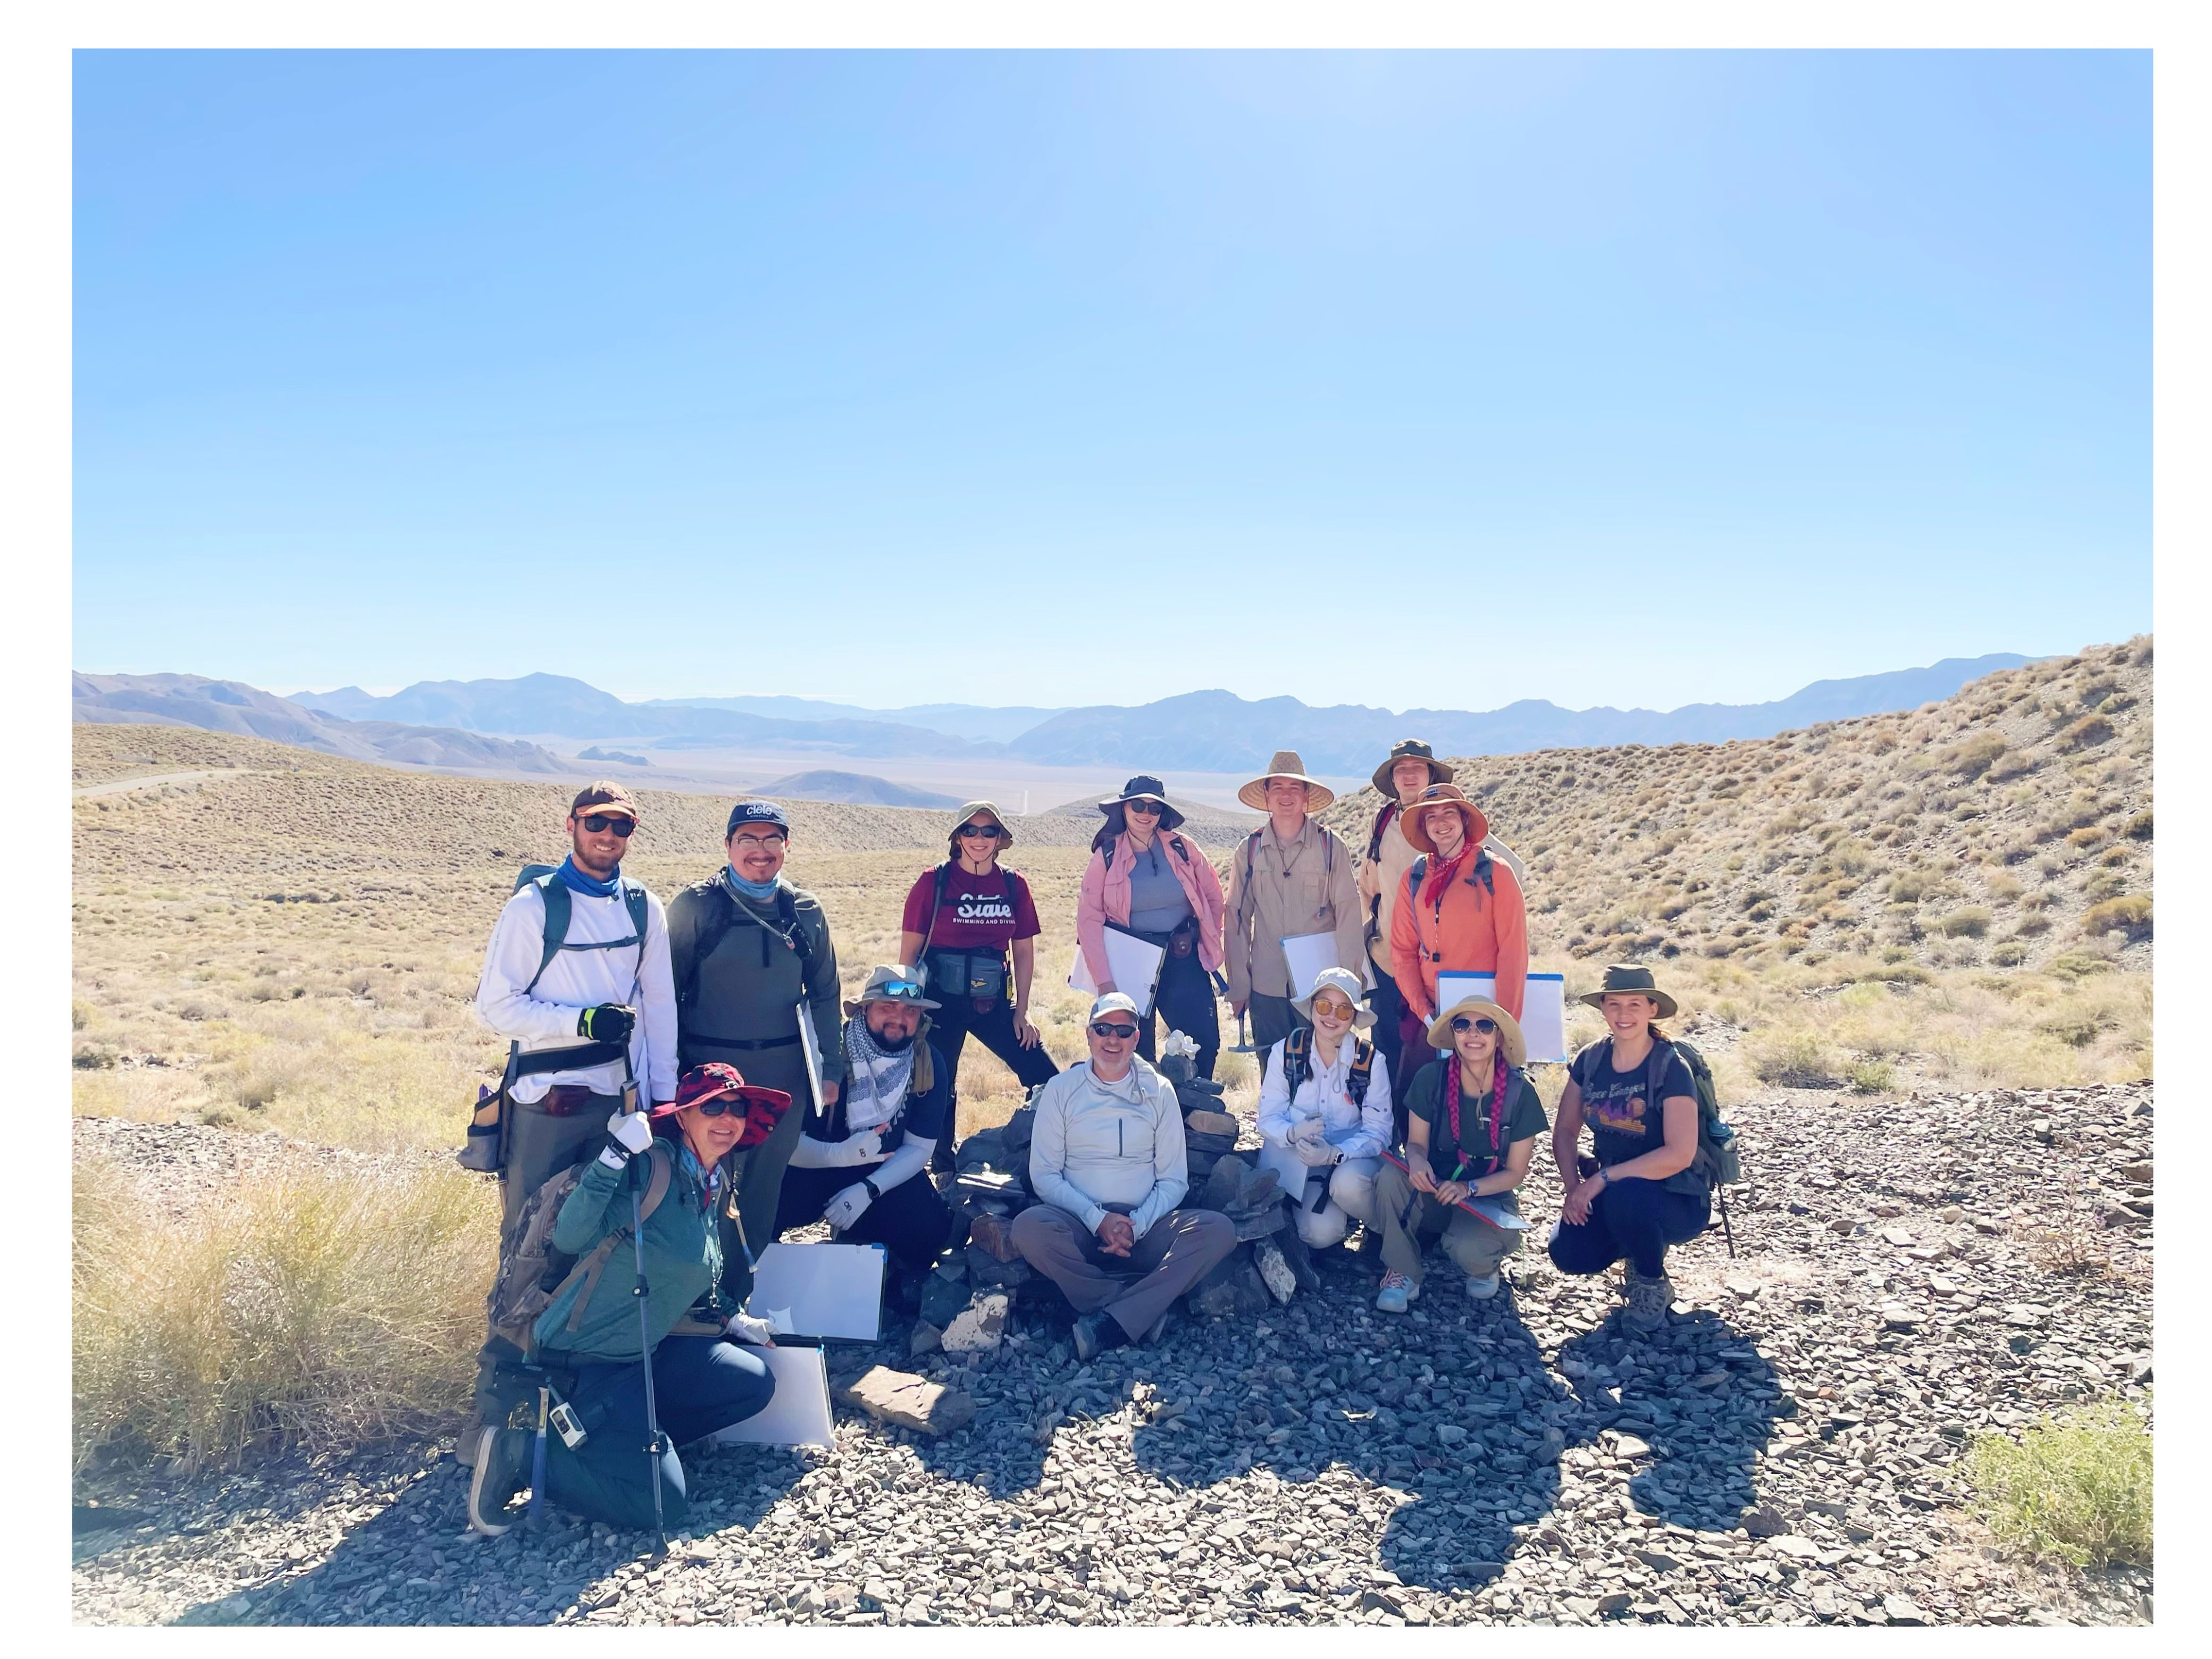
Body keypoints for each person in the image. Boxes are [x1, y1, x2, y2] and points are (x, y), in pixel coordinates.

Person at [467, 1063, 785, 1537]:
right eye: (711, 1106)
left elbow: (694, 1272)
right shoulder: (648, 1168)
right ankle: (522, 1451)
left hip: (646, 1351)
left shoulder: (709, 1183)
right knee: (662, 1508)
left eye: (736, 1108)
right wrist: (614, 1154)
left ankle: (624, 1446)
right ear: (682, 1117)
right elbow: (572, 1235)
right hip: (587, 1358)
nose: (727, 1118)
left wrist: (735, 1320)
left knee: (753, 1382)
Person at [468, 782, 678, 1456]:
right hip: (550, 1106)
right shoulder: (533, 908)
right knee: (529, 1249)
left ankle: (577, 1412)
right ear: (572, 826)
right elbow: (496, 1006)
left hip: (618, 1104)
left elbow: (659, 1008)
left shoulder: (644, 907)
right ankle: (494, 1426)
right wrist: (578, 1021)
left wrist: (660, 1098)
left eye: (620, 825)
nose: (607, 835)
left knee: (601, 1248)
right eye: (596, 823)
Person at [666, 800, 844, 1305]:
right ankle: (690, 1300)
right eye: (748, 840)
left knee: (763, 1191)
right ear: (728, 847)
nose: (760, 852)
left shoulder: (804, 911)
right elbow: (663, 994)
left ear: (787, 847)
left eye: (772, 841)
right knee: (704, 1186)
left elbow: (827, 993)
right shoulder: (697, 907)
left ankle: (737, 1298)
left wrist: (830, 1069)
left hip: (783, 1076)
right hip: (708, 1079)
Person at [1012, 993, 1238, 1361]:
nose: (1112, 1039)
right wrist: (1097, 1220)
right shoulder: (1062, 1091)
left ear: (1136, 1038)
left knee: (1218, 1231)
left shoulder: (1159, 1091)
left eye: (1123, 1030)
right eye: (1103, 1029)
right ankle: (1134, 1312)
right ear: (1089, 1035)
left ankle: (1107, 1318)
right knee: (1029, 1228)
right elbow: (1045, 1175)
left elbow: (1173, 1180)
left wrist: (1137, 1224)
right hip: (1080, 1227)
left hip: (1146, 1230)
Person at [897, 802, 1059, 1171]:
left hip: (992, 1002)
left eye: (989, 832)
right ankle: (941, 1167)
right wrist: (906, 1005)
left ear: (1000, 839)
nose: (979, 839)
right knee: (938, 1083)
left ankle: (1047, 1151)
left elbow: (1023, 951)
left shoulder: (1012, 884)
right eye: (970, 831)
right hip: (938, 1002)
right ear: (957, 838)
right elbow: (908, 952)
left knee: (1043, 1074)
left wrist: (1023, 1011)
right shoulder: (933, 882)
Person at [1549, 965, 1711, 1333]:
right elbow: (1565, 1131)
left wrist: (1603, 1178)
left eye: (1635, 1005)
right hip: (1612, 1187)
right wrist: (1573, 1186)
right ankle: (1639, 1243)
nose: (1624, 1015)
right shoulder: (1591, 1060)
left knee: (1626, 1195)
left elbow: (1679, 1153)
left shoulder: (1671, 1067)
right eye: (1615, 1005)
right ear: (1603, 1009)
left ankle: (1651, 1282)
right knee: (1569, 1253)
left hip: (1677, 1196)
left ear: (1652, 1009)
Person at [775, 965, 958, 1285]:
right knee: (766, 1205)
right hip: (814, 1165)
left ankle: (870, 1252)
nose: (898, 1018)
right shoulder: (827, 1054)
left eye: (910, 1011)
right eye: (887, 1006)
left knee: (931, 1233)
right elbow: (784, 1145)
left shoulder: (928, 1062)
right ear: (864, 1009)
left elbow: (919, 1148)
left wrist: (868, 1190)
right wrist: (840, 1156)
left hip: (881, 1174)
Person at [1371, 996, 1549, 1313]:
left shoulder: (1521, 1094)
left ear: (1499, 1038)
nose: (1473, 1034)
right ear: (1453, 1035)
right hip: (1435, 1191)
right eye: (1462, 1025)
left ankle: (1485, 1261)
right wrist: (1416, 1162)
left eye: (1484, 1026)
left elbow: (1515, 1173)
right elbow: (1416, 1145)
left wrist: (1470, 1189)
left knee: (1470, 1253)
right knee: (1389, 1178)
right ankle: (1403, 1271)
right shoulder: (1430, 1079)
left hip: (1488, 1201)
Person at [1076, 776, 1228, 1078]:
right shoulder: (1106, 856)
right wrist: (1105, 982)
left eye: (1154, 808)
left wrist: (1208, 940)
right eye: (1138, 805)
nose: (1146, 813)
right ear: (1124, 808)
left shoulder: (1183, 848)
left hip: (1182, 958)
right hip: (1131, 964)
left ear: (1162, 813)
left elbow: (1213, 896)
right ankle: (1143, 1116)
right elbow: (1089, 919)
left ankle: (1192, 1114)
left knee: (1202, 1042)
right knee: (1134, 1048)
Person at [1224, 750, 1365, 1054]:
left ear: (1305, 796)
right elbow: (1236, 918)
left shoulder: (1331, 847)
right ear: (1266, 796)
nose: (1285, 796)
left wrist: (1350, 985)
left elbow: (1349, 914)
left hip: (1321, 989)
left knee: (1323, 1074)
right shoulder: (1248, 851)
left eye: (1294, 788)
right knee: (1273, 1073)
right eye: (1277, 788)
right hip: (1267, 986)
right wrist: (1239, 984)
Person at [1388, 783, 1530, 1084]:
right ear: (1424, 827)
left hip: (1484, 1021)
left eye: (1449, 813)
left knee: (1481, 1114)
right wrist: (1425, 1013)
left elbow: (1513, 954)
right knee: (1418, 1113)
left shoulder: (1497, 873)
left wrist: (1503, 1025)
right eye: (1431, 817)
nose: (1441, 823)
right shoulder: (1413, 878)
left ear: (1464, 819)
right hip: (1430, 1016)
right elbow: (1402, 952)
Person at [1254, 966, 1394, 1250]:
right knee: (1320, 1235)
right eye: (1324, 1006)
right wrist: (1292, 1134)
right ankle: (1343, 1214)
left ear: (1354, 1017)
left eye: (1343, 1011)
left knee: (1348, 1185)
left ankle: (1386, 1232)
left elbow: (1380, 1134)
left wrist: (1335, 1155)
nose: (1332, 1017)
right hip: (1302, 1164)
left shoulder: (1371, 1062)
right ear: (1312, 1008)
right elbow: (1267, 1118)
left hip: (1354, 1164)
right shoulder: (1286, 1052)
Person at [1357, 740, 1455, 1120]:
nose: (1409, 774)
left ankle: (1437, 1139)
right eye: (1401, 768)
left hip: (1439, 965)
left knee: (1437, 1049)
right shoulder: (1383, 821)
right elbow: (1369, 883)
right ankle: (1388, 1131)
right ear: (1393, 779)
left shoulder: (1446, 819)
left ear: (1431, 774)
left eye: (1418, 766)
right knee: (1386, 1048)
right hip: (1386, 959)